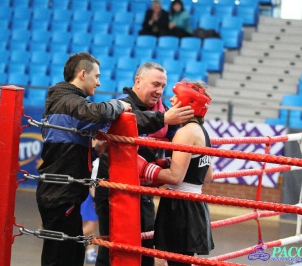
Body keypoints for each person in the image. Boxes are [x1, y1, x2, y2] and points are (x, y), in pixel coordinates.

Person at [94, 62, 195, 266]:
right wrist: (164, 118)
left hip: (145, 190)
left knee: (146, 244)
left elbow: (180, 140)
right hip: (116, 190)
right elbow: (129, 120)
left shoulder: (164, 111)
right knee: (114, 248)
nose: (159, 91)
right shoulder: (121, 104)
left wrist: (195, 134)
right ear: (138, 82)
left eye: (163, 86)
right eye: (155, 84)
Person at [36, 52, 132, 266]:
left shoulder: (63, 102)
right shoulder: (68, 102)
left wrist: (95, 151)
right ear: (82, 74)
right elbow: (98, 113)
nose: (98, 82)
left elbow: (68, 146)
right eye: (96, 76)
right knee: (59, 259)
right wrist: (120, 105)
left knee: (71, 256)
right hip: (59, 194)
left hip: (63, 193)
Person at [137, 81, 215, 266]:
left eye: (176, 97)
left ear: (189, 103)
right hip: (195, 202)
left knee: (176, 262)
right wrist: (175, 162)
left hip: (179, 205)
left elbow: (175, 177)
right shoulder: (202, 131)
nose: (170, 99)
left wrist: (145, 168)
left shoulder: (185, 133)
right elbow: (207, 176)